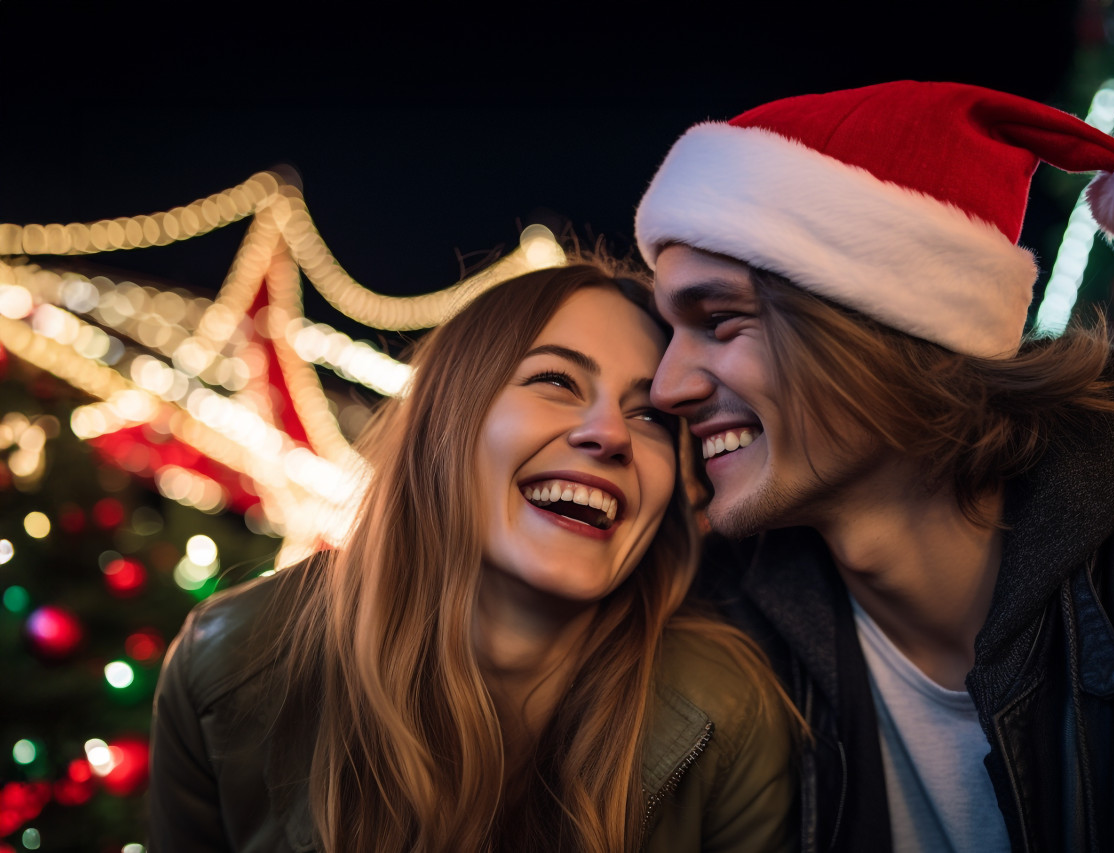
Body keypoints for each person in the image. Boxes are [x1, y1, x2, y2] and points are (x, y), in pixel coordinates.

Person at [633, 81, 1114, 853]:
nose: (668, 387)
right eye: (671, 330)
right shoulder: (716, 627)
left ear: (882, 326)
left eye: (719, 320)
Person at [148, 259, 798, 852]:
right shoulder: (227, 663)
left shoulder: (732, 714)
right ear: (444, 424)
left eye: (649, 415)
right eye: (555, 380)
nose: (609, 434)